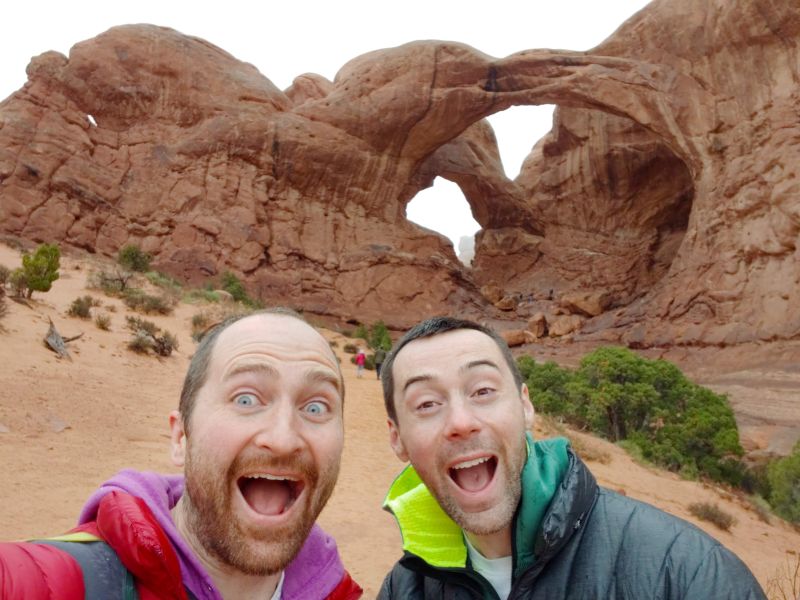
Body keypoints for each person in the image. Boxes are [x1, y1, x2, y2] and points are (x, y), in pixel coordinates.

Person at [377, 316, 766, 599]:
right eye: (426, 403)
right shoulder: (403, 590)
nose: (460, 422)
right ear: (397, 439)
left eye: (482, 391)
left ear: (526, 407)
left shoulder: (684, 573)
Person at [0, 308, 362, 600]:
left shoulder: (340, 591)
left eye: (316, 407)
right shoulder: (55, 579)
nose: (284, 439)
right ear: (181, 437)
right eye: (246, 399)